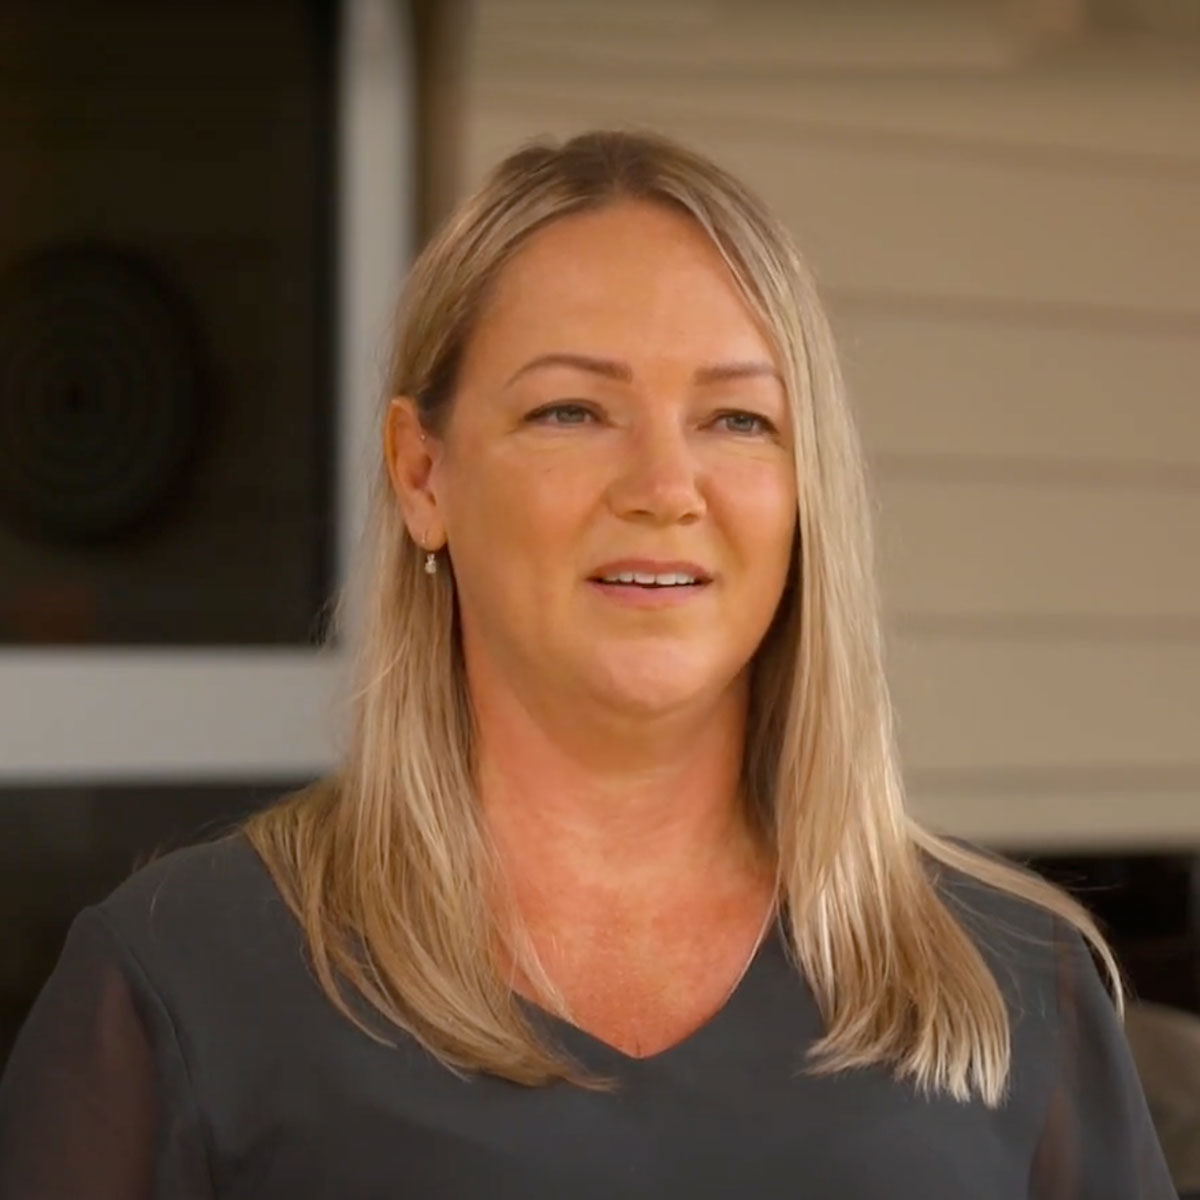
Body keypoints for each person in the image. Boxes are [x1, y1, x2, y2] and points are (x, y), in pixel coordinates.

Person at [0, 130, 1177, 1199]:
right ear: (423, 475)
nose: (665, 490)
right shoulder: (180, 982)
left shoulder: (1015, 987)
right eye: (571, 412)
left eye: (738, 420)